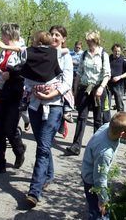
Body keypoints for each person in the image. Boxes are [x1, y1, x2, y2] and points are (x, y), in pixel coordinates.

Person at [21, 25, 74, 208]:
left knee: (42, 148)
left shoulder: (65, 57)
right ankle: (49, 175)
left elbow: (67, 82)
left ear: (63, 39)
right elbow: (27, 80)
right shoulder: (37, 57)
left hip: (54, 106)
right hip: (36, 106)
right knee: (43, 144)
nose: (53, 37)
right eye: (51, 34)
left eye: (57, 35)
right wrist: (32, 89)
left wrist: (51, 94)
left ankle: (34, 192)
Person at [81, 112, 126, 220]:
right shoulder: (105, 153)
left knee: (95, 208)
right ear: (122, 134)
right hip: (93, 182)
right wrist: (103, 200)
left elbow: (117, 134)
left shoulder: (107, 126)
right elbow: (99, 180)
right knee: (100, 213)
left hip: (90, 171)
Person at [0, 23, 27, 176]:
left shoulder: (23, 50)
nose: (1, 37)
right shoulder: (3, 53)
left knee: (10, 129)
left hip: (16, 94)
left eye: (3, 34)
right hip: (2, 93)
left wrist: (13, 75)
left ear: (9, 35)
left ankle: (19, 149)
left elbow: (26, 72)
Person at [65, 31, 111, 156]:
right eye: (86, 40)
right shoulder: (84, 54)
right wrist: (74, 89)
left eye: (89, 40)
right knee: (81, 117)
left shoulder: (103, 55)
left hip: (98, 90)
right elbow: (79, 73)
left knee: (97, 119)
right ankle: (76, 146)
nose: (87, 42)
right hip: (85, 89)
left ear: (95, 40)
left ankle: (97, 146)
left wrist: (101, 87)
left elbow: (107, 74)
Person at [108, 44, 126, 112]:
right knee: (106, 103)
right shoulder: (108, 58)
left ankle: (121, 120)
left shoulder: (124, 60)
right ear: (112, 51)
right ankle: (106, 120)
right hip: (108, 83)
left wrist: (119, 77)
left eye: (119, 51)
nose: (117, 53)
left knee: (119, 104)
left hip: (118, 84)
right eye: (115, 51)